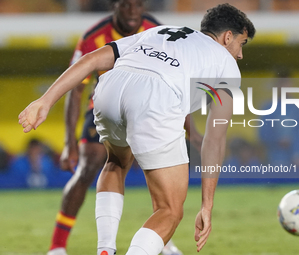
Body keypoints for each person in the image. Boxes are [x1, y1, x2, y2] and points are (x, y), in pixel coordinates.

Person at [19, 3, 255, 254]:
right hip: (155, 99)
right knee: (170, 210)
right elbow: (215, 139)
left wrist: (44, 101)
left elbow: (91, 60)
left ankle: (106, 249)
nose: (240, 54)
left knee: (116, 162)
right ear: (228, 37)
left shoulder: (162, 31)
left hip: (110, 90)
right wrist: (207, 206)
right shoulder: (227, 66)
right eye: (242, 43)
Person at [46, 0, 183, 255]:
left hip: (148, 108)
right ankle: (57, 246)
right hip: (105, 107)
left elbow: (176, 80)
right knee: (89, 165)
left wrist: (188, 127)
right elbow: (77, 90)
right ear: (114, 6)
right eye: (126, 5)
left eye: (138, 5)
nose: (132, 11)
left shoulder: (157, 31)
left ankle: (161, 239)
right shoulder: (93, 37)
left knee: (158, 171)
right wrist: (70, 142)